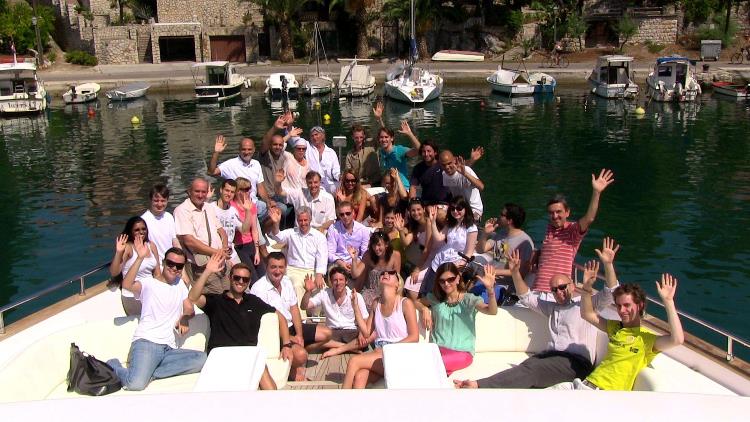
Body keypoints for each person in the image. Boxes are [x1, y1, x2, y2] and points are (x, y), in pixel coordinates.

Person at [454, 237, 620, 389]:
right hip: (550, 358)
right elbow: (525, 296)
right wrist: (515, 272)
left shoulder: (586, 305)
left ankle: (477, 385)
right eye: (554, 290)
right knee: (524, 371)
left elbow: (612, 291)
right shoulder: (551, 307)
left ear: (571, 285)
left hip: (575, 363)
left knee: (531, 370)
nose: (559, 292)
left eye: (562, 287)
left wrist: (608, 264)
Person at [550, 263, 684, 390]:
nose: (622, 310)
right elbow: (587, 314)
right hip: (583, 383)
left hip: (602, 393)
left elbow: (677, 339)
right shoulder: (615, 327)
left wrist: (668, 302)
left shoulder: (645, 339)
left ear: (640, 305)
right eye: (619, 306)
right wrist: (586, 288)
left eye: (627, 305)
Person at [107, 239, 206, 391]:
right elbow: (127, 285)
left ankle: (150, 373)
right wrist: (140, 258)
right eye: (170, 263)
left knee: (202, 359)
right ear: (164, 263)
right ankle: (113, 365)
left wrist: (185, 318)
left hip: (170, 348)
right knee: (135, 384)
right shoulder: (148, 283)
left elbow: (189, 309)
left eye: (178, 266)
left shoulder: (181, 285)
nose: (174, 268)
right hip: (147, 343)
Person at [187, 256, 292, 390]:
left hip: (248, 354)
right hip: (222, 355)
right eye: (237, 278)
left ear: (248, 282)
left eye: (245, 279)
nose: (240, 282)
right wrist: (207, 271)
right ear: (230, 278)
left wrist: (287, 344)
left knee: (264, 375)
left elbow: (280, 317)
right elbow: (192, 297)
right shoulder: (217, 301)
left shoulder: (253, 301)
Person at [250, 252, 332, 381]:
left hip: (291, 326)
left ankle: (296, 358)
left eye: (281, 267)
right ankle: (295, 364)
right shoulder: (258, 289)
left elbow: (294, 309)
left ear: (285, 267)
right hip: (275, 332)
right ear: (266, 266)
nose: (277, 271)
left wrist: (299, 334)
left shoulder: (287, 281)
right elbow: (265, 325)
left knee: (327, 333)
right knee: (301, 356)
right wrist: (290, 338)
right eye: (273, 267)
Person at [534, 169, 615, 294]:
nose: (554, 216)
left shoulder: (572, 231)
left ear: (567, 212)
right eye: (551, 213)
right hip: (537, 290)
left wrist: (596, 192)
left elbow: (589, 218)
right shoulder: (550, 228)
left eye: (558, 212)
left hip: (556, 293)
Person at [415, 262, 498, 375]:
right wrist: (424, 309)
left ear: (458, 279)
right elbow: (415, 302)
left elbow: (492, 311)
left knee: (429, 365)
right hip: (436, 350)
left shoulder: (469, 299)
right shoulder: (435, 299)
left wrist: (490, 290)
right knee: (428, 364)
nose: (446, 283)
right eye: (442, 281)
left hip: (462, 352)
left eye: (450, 279)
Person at [342, 270, 419, 389]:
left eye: (391, 273)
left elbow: (414, 337)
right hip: (381, 355)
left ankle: (340, 400)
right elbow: (367, 333)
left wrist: (389, 349)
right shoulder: (376, 303)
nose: (385, 274)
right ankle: (357, 406)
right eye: (383, 273)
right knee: (360, 377)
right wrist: (355, 307)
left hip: (399, 355)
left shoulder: (405, 303)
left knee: (354, 361)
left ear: (398, 284)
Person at [174, 177, 229, 295]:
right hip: (201, 265)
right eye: (197, 191)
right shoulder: (182, 210)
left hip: (220, 259)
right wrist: (216, 252)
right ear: (189, 191)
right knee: (217, 294)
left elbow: (221, 230)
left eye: (203, 192)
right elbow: (189, 241)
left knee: (230, 292)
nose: (200, 195)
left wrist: (224, 247)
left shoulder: (208, 208)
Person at [300, 266, 369, 358]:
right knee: (314, 337)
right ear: (331, 282)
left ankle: (337, 349)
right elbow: (304, 306)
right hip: (332, 332)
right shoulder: (324, 294)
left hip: (351, 332)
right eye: (335, 280)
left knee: (366, 337)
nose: (338, 283)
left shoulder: (356, 296)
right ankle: (349, 348)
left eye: (341, 279)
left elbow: (365, 319)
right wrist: (308, 292)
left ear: (346, 281)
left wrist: (361, 334)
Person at [417, 196, 478, 298]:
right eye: (453, 209)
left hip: (455, 263)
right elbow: (439, 238)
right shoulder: (451, 223)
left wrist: (458, 265)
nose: (455, 211)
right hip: (440, 259)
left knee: (444, 294)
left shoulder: (471, 228)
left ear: (465, 209)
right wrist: (433, 222)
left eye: (459, 208)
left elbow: (468, 253)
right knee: (428, 293)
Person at [208, 135, 276, 221]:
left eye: (249, 149)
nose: (246, 152)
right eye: (244, 149)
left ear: (254, 150)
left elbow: (261, 187)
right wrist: (216, 152)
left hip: (254, 203)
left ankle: (265, 231)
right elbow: (211, 172)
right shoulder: (231, 164)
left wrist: (268, 202)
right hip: (237, 205)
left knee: (279, 210)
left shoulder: (256, 164)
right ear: (239, 150)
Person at [267, 206, 328, 303]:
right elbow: (278, 237)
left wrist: (319, 275)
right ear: (297, 220)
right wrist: (276, 223)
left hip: (313, 271)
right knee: (297, 285)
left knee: (322, 288)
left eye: (305, 220)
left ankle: (316, 316)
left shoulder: (319, 237)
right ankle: (301, 317)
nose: (303, 223)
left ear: (310, 219)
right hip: (293, 270)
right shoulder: (291, 233)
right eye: (300, 220)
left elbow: (322, 257)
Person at [110, 216, 161, 316]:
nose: (141, 232)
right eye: (137, 230)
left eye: (143, 229)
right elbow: (114, 272)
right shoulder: (128, 248)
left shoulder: (151, 245)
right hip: (132, 294)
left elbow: (157, 274)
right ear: (131, 232)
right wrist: (119, 252)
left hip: (150, 293)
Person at [477, 203, 535, 281]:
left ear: (509, 220)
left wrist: (495, 272)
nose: (499, 216)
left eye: (502, 214)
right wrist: (485, 234)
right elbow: (480, 250)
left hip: (504, 285)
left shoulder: (525, 242)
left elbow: (522, 272)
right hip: (489, 277)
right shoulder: (502, 234)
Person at [351, 231, 402, 312]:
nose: (376, 248)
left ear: (386, 244)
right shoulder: (368, 255)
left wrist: (397, 298)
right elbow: (355, 274)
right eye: (374, 245)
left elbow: (398, 280)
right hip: (369, 293)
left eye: (379, 245)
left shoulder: (396, 255)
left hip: (387, 293)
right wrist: (354, 259)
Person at [258, 112, 294, 228]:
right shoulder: (265, 156)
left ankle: (283, 231)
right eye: (275, 145)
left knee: (294, 204)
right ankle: (270, 231)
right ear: (270, 146)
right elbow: (265, 142)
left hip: (279, 194)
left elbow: (285, 141)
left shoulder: (283, 156)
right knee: (283, 209)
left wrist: (289, 128)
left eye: (280, 145)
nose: (277, 147)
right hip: (266, 196)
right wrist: (274, 128)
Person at [227, 178, 262, 277]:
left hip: (251, 244)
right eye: (246, 189)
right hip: (239, 246)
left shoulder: (252, 205)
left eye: (249, 188)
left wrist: (257, 251)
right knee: (252, 278)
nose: (249, 191)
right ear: (238, 191)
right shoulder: (231, 207)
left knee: (263, 276)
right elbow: (241, 230)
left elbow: (254, 230)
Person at [290, 126, 340, 194]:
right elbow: (294, 140)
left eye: (316, 134)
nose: (314, 137)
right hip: (312, 183)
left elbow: (336, 171)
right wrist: (289, 126)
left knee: (340, 188)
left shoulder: (331, 152)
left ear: (323, 135)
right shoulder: (307, 147)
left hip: (329, 184)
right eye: (312, 136)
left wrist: (339, 177)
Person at [439, 150, 484, 221]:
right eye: (444, 165)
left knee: (460, 222)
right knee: (437, 213)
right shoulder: (444, 175)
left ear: (454, 160)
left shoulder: (466, 170)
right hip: (458, 208)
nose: (447, 167)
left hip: (473, 209)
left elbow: (481, 187)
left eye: (449, 163)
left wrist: (464, 174)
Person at [376, 121, 421, 190]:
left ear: (392, 138)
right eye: (381, 137)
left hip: (402, 188)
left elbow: (418, 151)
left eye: (386, 137)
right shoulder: (381, 152)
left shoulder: (399, 150)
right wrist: (379, 119)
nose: (384, 139)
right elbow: (383, 129)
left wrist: (410, 134)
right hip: (387, 188)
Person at [327, 201, 370, 271]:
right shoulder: (333, 228)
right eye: (342, 214)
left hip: (357, 263)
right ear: (339, 215)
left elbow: (365, 253)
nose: (345, 217)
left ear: (353, 213)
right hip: (338, 263)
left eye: (348, 213)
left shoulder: (363, 230)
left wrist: (355, 263)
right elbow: (330, 253)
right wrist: (341, 263)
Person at [140, 184, 180, 260]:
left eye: (163, 201)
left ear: (167, 200)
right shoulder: (143, 220)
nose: (159, 204)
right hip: (153, 263)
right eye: (156, 201)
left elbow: (174, 241)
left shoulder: (169, 217)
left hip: (169, 262)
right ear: (150, 200)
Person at [409, 140, 449, 205]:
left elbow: (456, 167)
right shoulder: (418, 168)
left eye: (429, 151)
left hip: (444, 203)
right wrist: (412, 204)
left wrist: (470, 161)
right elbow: (413, 187)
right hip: (426, 203)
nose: (426, 154)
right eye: (424, 152)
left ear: (435, 152)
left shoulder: (443, 164)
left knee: (440, 213)